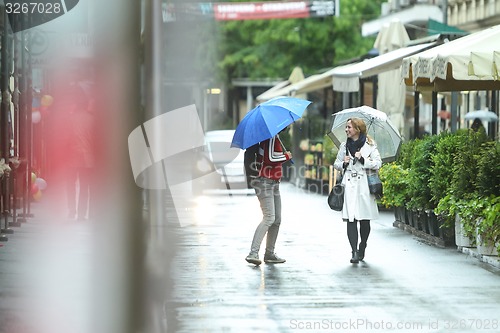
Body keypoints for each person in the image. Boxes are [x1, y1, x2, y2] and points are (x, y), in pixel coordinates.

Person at [333, 118, 382, 264]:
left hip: (364, 186)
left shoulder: (370, 145)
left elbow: (378, 163)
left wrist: (363, 160)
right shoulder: (344, 146)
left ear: (357, 129)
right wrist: (344, 163)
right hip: (349, 185)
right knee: (351, 218)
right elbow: (336, 164)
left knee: (364, 219)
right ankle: (354, 251)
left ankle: (362, 245)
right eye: (346, 127)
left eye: (349, 127)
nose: (346, 130)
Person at [245, 128, 292, 266]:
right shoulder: (271, 137)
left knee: (277, 219)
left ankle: (269, 254)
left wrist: (283, 156)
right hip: (264, 181)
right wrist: (286, 156)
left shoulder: (274, 137)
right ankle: (253, 253)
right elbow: (270, 158)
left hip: (273, 182)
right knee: (269, 217)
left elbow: (270, 159)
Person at [64, 83, 96, 220]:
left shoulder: (70, 118)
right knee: (85, 186)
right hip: (88, 158)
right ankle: (82, 213)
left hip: (72, 156)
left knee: (70, 184)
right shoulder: (92, 119)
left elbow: (65, 138)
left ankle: (72, 210)